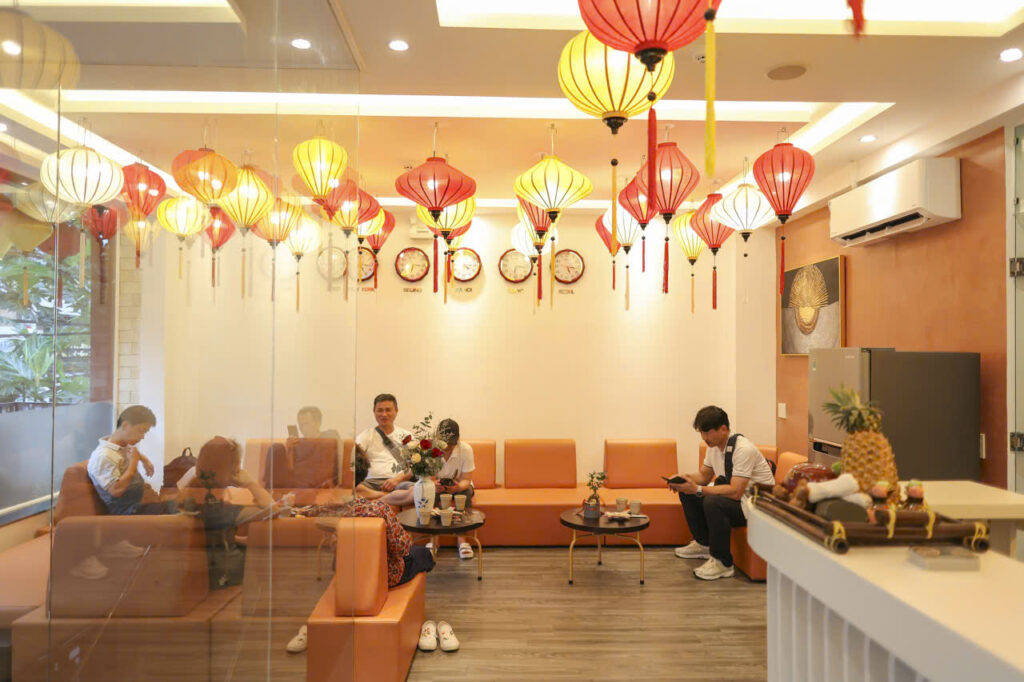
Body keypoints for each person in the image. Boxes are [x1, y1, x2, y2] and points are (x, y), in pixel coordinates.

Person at [286, 453, 443, 654]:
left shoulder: (331, 508)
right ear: (362, 475)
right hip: (385, 576)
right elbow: (402, 548)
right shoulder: (379, 510)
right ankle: (428, 623)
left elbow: (310, 517)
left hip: (345, 573)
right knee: (422, 554)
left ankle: (313, 631)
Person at [667, 406, 775, 581]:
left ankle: (722, 563)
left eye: (707, 432)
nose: (704, 438)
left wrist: (698, 489)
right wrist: (684, 479)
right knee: (687, 492)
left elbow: (736, 491)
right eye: (701, 433)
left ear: (723, 429)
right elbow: (703, 476)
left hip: (757, 506)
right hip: (740, 500)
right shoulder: (714, 447)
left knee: (712, 502)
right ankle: (704, 544)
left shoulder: (743, 449)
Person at [378, 418, 476, 559]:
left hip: (459, 486)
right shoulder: (430, 449)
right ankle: (434, 540)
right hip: (436, 484)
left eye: (451, 443)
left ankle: (462, 541)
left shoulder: (466, 450)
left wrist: (457, 487)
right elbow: (425, 474)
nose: (447, 447)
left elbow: (466, 479)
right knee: (430, 492)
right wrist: (434, 484)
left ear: (458, 439)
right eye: (445, 443)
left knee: (464, 494)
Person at [87, 405, 175, 516]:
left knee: (186, 504)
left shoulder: (120, 447)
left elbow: (129, 452)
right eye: (141, 431)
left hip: (139, 504)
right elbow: (116, 490)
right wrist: (134, 463)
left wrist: (144, 459)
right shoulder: (103, 456)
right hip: (128, 512)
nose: (142, 437)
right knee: (182, 509)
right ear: (125, 425)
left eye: (145, 432)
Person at [263, 406, 342, 488]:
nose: (302, 428)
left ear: (318, 423)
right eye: (300, 425)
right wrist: (290, 449)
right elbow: (290, 469)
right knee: (277, 447)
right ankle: (268, 490)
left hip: (313, 481)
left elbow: (338, 459)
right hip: (296, 481)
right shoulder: (298, 442)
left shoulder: (329, 437)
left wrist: (334, 481)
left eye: (305, 424)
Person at [354, 393, 413, 499]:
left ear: (396, 411)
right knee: (353, 489)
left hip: (398, 483)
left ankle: (383, 497)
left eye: (388, 410)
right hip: (370, 484)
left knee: (416, 490)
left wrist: (397, 480)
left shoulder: (407, 436)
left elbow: (415, 467)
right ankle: (388, 497)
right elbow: (352, 458)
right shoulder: (366, 435)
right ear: (374, 412)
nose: (384, 414)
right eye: (380, 410)